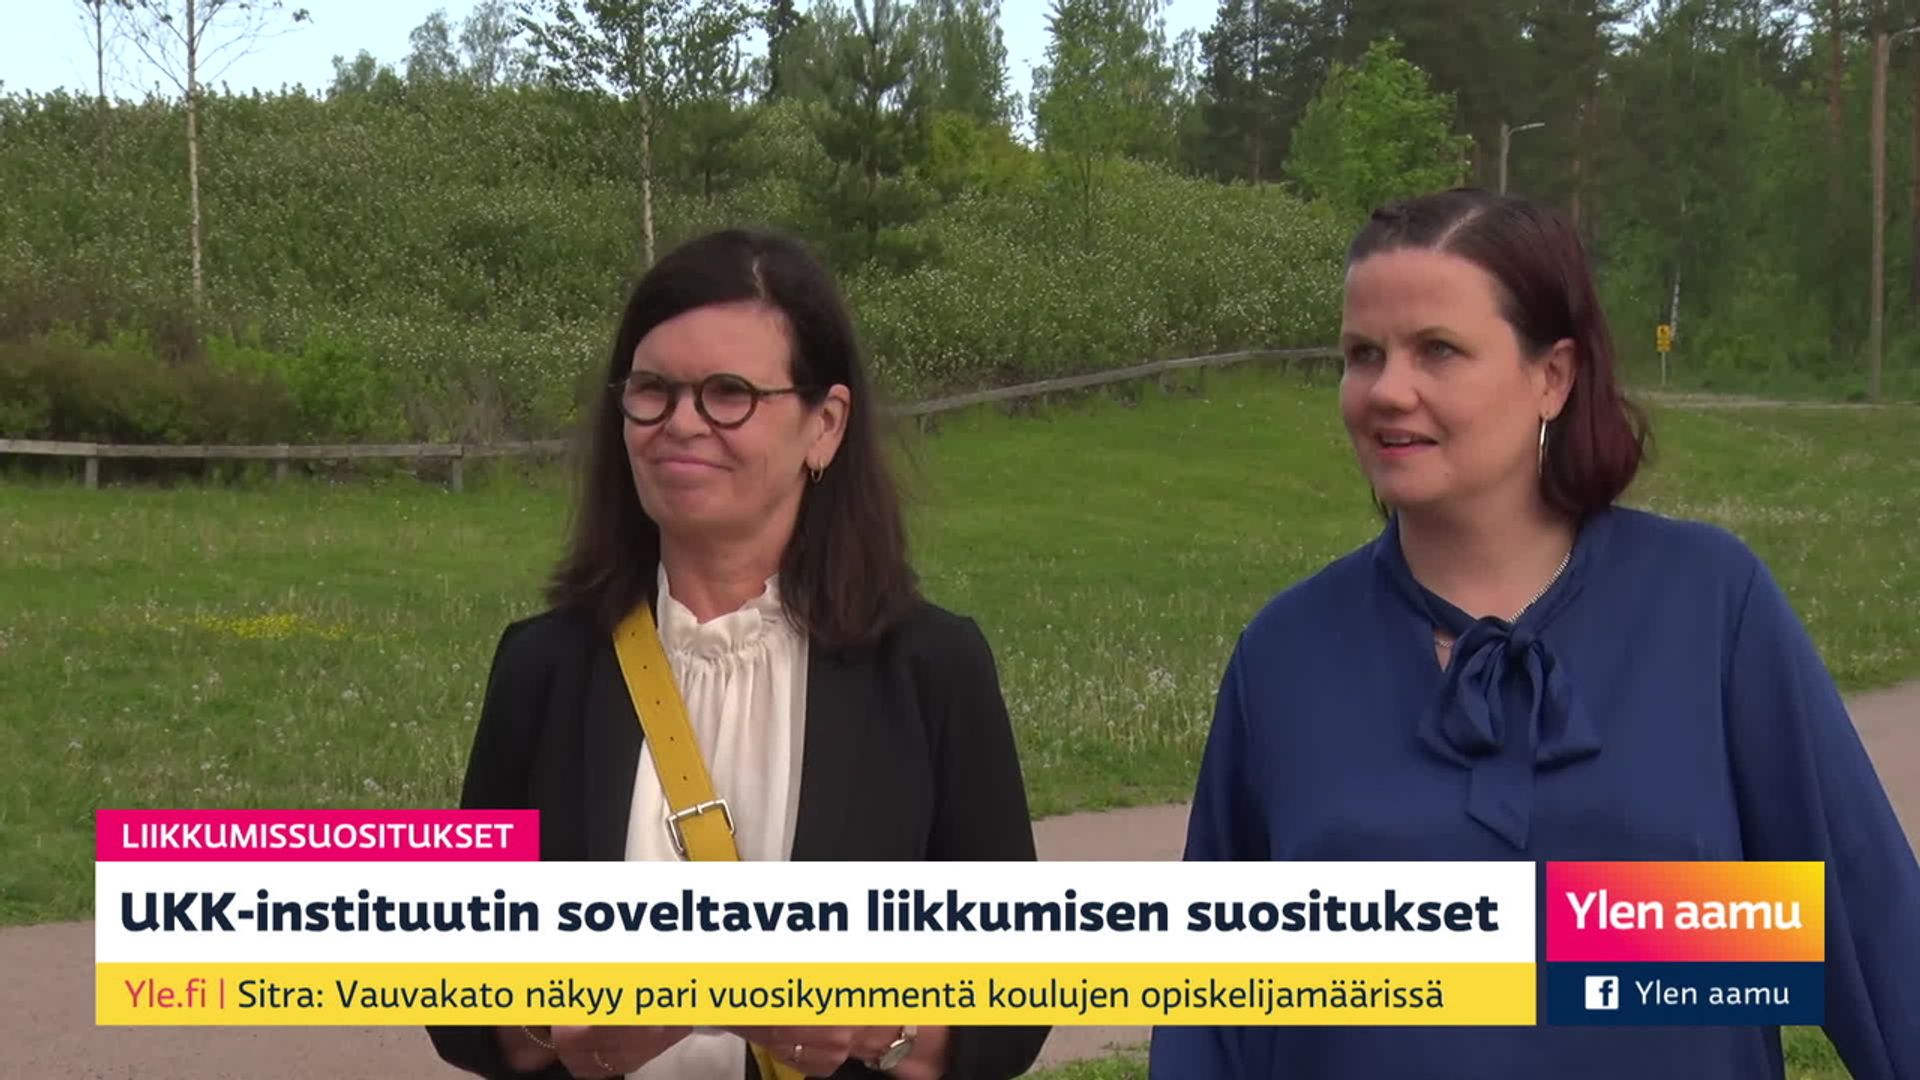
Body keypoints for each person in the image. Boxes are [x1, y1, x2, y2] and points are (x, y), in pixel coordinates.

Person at [1148, 188, 1920, 1079]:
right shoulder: (1284, 654)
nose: (1387, 390)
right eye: (1364, 355)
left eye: (1438, 350)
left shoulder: (1709, 604)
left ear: (1552, 375)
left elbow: (1871, 928)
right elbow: (1212, 1015)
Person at [427, 227, 1049, 1080]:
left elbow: (1016, 1005)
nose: (681, 423)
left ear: (824, 425)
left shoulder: (931, 670)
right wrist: (558, 1027)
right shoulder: (543, 668)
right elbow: (457, 997)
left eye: (729, 394)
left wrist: (880, 1023)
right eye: (653, 391)